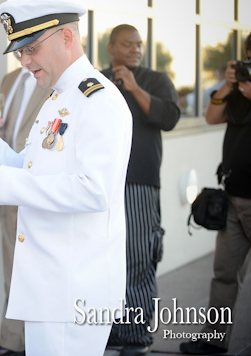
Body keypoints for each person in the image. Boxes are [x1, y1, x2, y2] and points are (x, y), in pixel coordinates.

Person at [0, 0, 132, 356]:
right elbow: (36, 168)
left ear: (67, 36)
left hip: (74, 287)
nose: (23, 61)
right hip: (51, 284)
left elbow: (94, 191)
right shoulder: (58, 96)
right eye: (19, 52)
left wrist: (4, 183)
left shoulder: (97, 99)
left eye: (31, 48)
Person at [100, 24, 180, 356]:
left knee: (136, 256)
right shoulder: (97, 79)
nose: (136, 49)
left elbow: (170, 117)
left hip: (138, 182)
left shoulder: (155, 80)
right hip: (101, 183)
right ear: (111, 48)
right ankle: (108, 332)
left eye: (139, 44)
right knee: (102, 260)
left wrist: (133, 87)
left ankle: (135, 337)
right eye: (128, 44)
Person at [180, 35, 251, 355]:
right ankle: (214, 338)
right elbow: (211, 117)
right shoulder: (237, 92)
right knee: (224, 273)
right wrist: (227, 85)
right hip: (233, 195)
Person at [0, 66, 46, 356]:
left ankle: (32, 344)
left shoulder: (56, 80)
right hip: (7, 179)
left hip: (37, 183)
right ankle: (12, 342)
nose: (23, 54)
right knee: (12, 268)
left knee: (36, 272)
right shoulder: (10, 78)